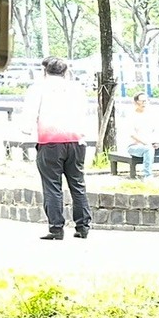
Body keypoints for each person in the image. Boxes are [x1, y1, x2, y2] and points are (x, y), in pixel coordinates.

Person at [25, 58, 91, 240]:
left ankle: (56, 228)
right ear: (65, 71)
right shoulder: (77, 88)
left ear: (45, 71)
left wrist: (25, 131)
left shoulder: (38, 88)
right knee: (77, 184)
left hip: (50, 142)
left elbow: (29, 114)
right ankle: (83, 226)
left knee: (52, 186)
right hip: (76, 141)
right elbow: (85, 112)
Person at [126, 92, 159, 178]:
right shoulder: (131, 116)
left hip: (150, 144)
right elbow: (132, 134)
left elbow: (155, 131)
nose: (144, 103)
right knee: (148, 149)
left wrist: (156, 142)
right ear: (136, 102)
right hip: (134, 146)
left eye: (145, 101)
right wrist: (145, 143)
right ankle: (147, 176)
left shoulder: (151, 115)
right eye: (141, 101)